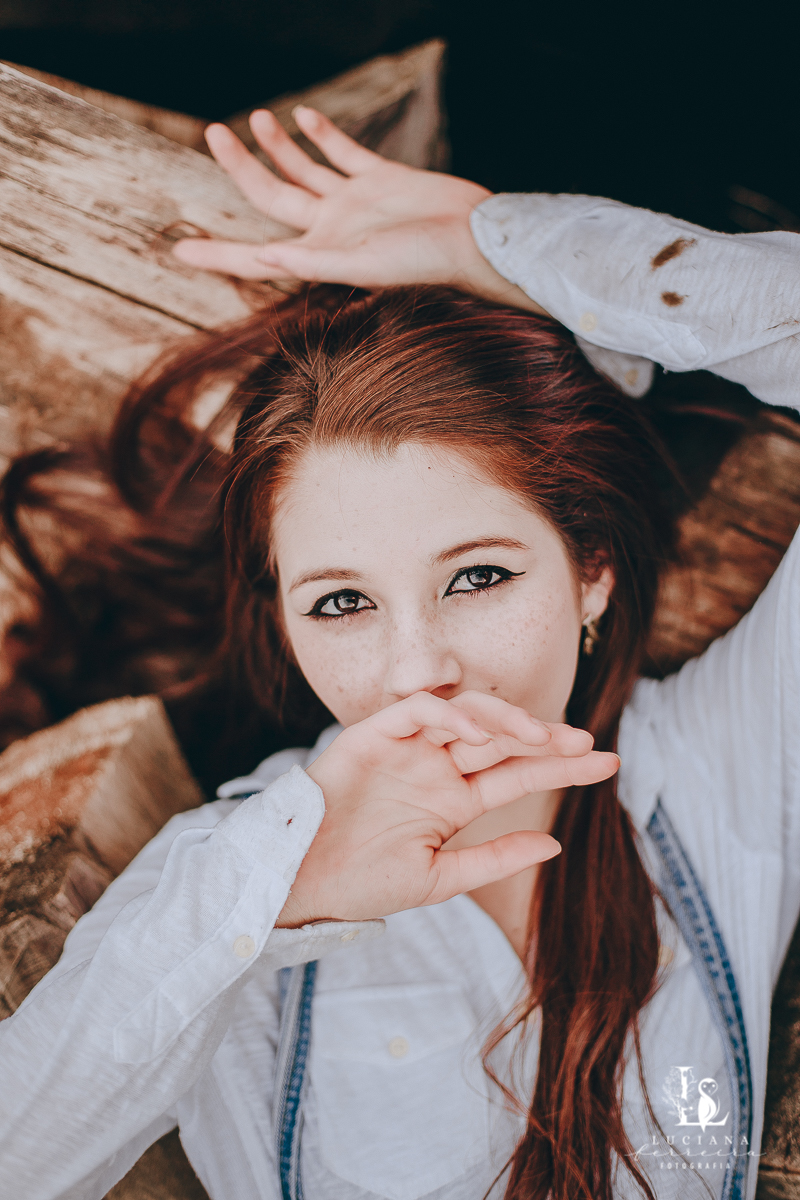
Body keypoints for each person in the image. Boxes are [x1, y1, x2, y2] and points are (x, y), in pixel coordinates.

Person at [1, 107, 799, 1200]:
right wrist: (277, 896)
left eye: (477, 577)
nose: (416, 668)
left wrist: (490, 241)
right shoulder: (224, 878)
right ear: (279, 615)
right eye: (340, 603)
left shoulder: (726, 770)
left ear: (593, 568)